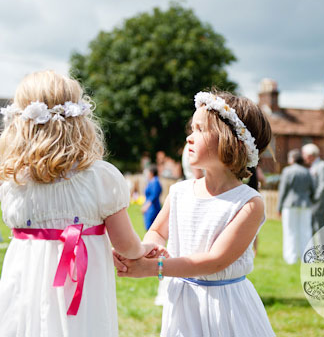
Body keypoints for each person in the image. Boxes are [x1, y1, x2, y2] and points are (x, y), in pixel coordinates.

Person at [0, 71, 163, 337]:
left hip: (26, 288)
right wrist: (143, 248)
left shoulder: (13, 182)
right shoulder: (101, 176)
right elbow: (125, 245)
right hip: (83, 290)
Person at [115, 91, 276, 337]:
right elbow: (158, 230)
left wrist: (153, 268)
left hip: (223, 307)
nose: (190, 138)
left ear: (230, 141)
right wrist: (147, 249)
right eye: (192, 129)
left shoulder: (249, 203)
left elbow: (215, 261)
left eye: (200, 130)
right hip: (184, 303)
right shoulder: (180, 192)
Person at [277, 149, 314, 264]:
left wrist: (279, 207)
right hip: (305, 204)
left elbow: (283, 190)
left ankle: (291, 258)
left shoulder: (287, 171)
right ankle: (308, 258)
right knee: (306, 230)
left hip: (290, 204)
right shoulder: (307, 171)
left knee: (290, 231)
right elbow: (312, 189)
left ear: (292, 159)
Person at [302, 143, 324, 236]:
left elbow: (323, 185)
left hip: (319, 203)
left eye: (304, 154)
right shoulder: (313, 166)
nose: (303, 157)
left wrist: (315, 199)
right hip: (313, 203)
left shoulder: (322, 166)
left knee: (320, 229)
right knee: (312, 230)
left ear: (310, 155)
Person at [142, 165, 162, 230]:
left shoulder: (155, 182)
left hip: (152, 208)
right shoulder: (151, 181)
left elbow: (154, 195)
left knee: (151, 228)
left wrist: (146, 206)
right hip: (150, 208)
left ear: (151, 173)